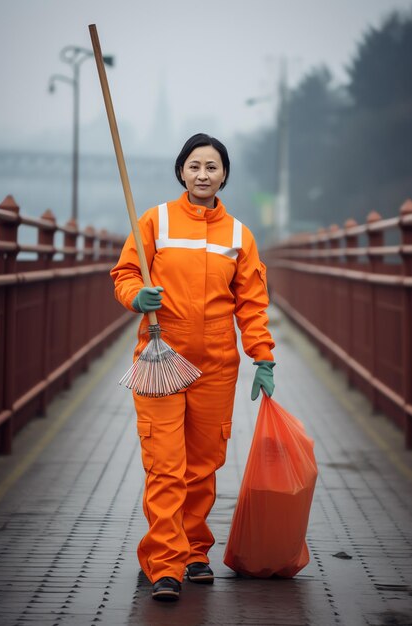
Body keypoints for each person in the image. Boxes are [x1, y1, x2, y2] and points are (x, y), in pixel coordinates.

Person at [110, 133, 275, 602]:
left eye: (212, 167)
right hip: (161, 357)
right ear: (181, 171)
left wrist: (263, 355)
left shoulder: (239, 235)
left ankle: (195, 551)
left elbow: (253, 303)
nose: (203, 175)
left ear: (224, 175)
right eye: (194, 166)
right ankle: (165, 564)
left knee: (203, 467)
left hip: (216, 365)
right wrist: (135, 297)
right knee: (165, 465)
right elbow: (125, 273)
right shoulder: (155, 220)